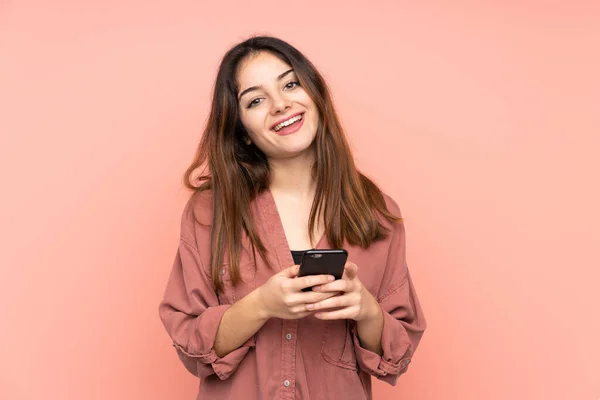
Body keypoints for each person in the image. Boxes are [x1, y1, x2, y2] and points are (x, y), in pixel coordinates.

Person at [158, 35, 427, 400]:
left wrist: (366, 310)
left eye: (290, 84)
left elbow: (398, 353)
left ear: (315, 94)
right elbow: (189, 343)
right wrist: (262, 305)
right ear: (243, 131)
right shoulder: (211, 211)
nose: (280, 104)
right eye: (255, 100)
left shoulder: (376, 213)